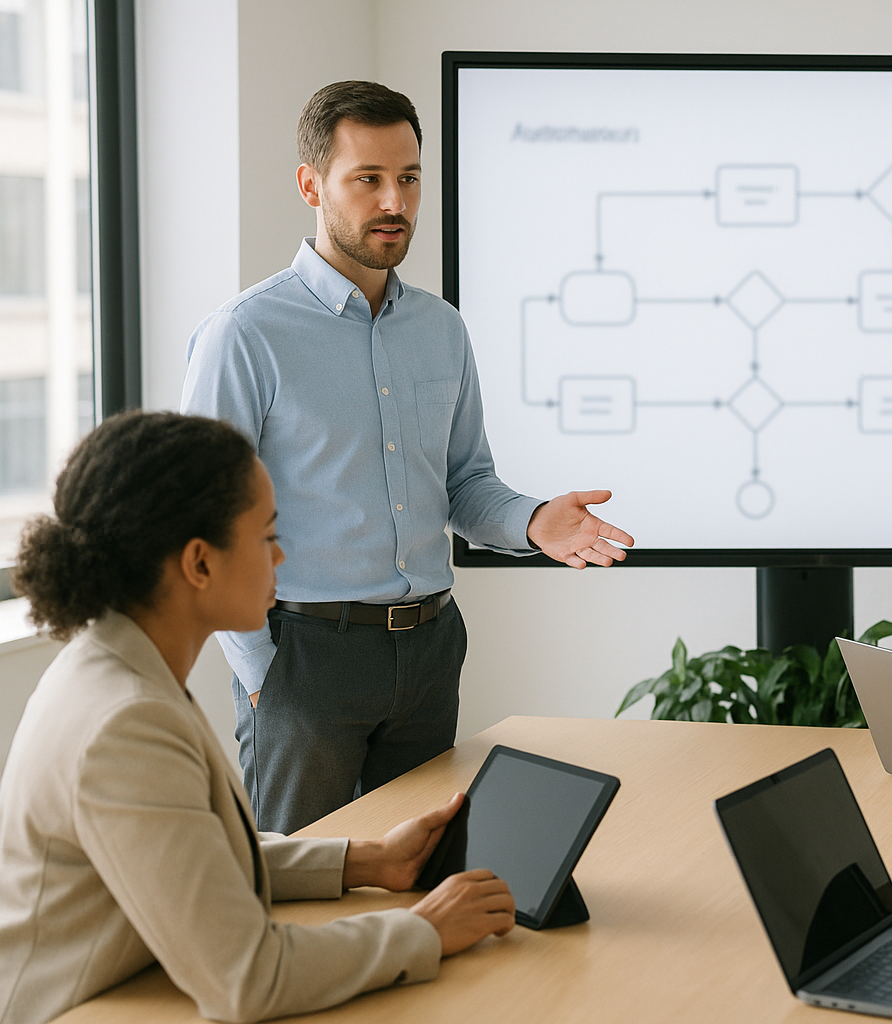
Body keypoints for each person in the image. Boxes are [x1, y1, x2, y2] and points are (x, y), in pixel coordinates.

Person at [181, 80, 635, 834]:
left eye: (409, 178)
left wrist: (531, 524)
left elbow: (465, 483)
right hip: (306, 657)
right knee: (304, 891)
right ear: (310, 185)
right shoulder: (244, 335)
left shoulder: (442, 329)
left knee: (423, 887)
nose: (395, 200)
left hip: (427, 651)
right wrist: (264, 673)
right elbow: (199, 517)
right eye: (368, 180)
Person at [0, 412, 519, 1024]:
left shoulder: (115, 663)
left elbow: (193, 860)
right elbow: (249, 978)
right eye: (268, 535)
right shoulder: (125, 722)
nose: (281, 556)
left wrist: (370, 859)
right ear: (199, 563)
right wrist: (423, 930)